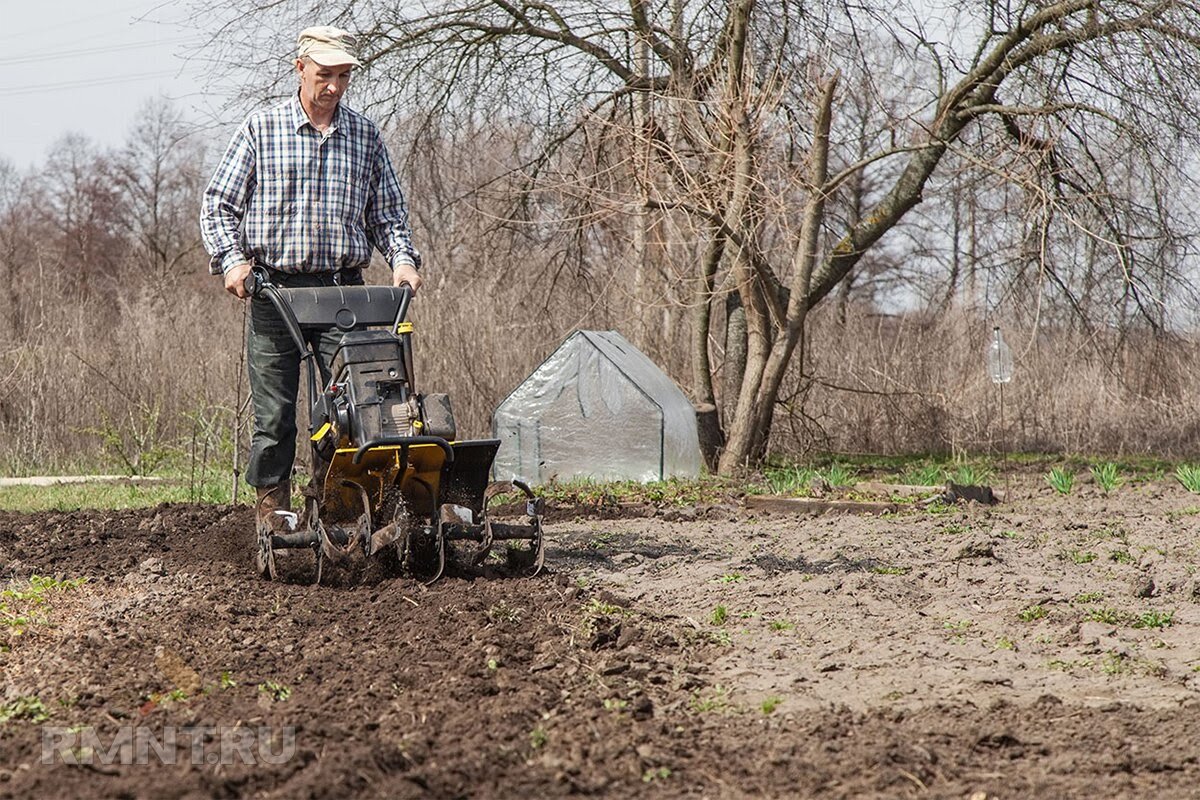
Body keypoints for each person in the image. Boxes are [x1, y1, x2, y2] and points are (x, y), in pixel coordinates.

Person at [200, 25, 422, 529]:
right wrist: (232, 260)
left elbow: (388, 215)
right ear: (300, 69)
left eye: (344, 76)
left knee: (356, 404)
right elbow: (218, 205)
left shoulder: (364, 136)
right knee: (275, 417)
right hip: (275, 290)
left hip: (345, 291)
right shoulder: (262, 129)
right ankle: (274, 516)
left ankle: (337, 507)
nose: (335, 87)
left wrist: (404, 260)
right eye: (326, 75)